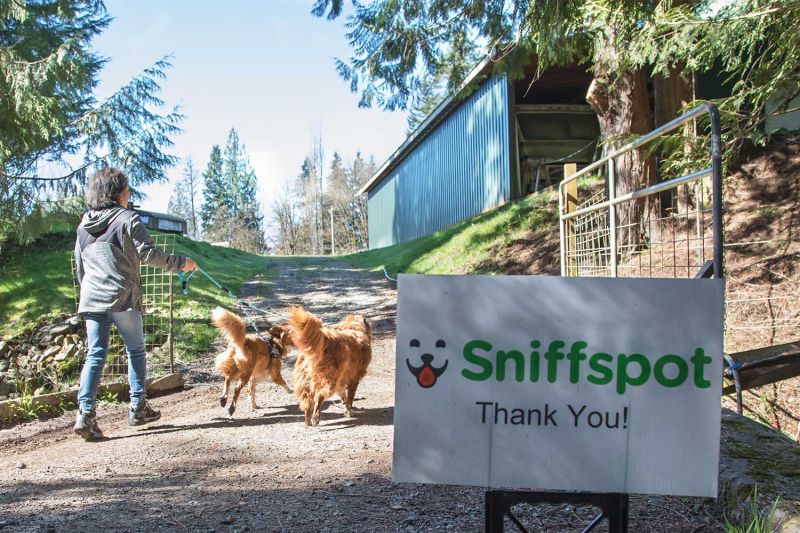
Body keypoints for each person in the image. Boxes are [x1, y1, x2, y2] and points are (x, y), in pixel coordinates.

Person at [73, 167, 198, 441]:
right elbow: (148, 254)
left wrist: (87, 293)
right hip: (123, 297)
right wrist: (181, 263)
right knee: (136, 351)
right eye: (127, 190)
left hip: (92, 298)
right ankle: (138, 407)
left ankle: (85, 414)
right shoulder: (128, 218)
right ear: (117, 193)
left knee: (95, 355)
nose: (129, 195)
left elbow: (81, 265)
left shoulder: (83, 225)